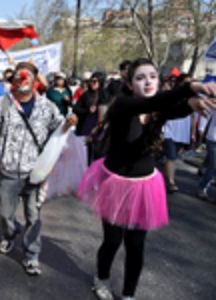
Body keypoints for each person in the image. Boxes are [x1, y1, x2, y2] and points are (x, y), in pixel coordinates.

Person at [77, 58, 216, 300]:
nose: (148, 81)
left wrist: (192, 104)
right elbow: (160, 100)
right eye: (140, 78)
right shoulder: (123, 104)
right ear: (130, 84)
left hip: (145, 184)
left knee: (136, 245)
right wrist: (189, 88)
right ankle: (101, 278)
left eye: (152, 76)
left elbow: (172, 108)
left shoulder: (155, 109)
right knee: (112, 241)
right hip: (117, 182)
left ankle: (129, 294)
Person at [0, 61, 78, 276]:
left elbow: (59, 128)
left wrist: (69, 123)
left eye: (27, 77)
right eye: (18, 77)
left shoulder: (47, 107)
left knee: (33, 216)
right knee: (6, 214)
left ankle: (31, 255)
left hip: (36, 172)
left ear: (35, 81)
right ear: (13, 81)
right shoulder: (3, 103)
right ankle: (10, 234)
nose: (23, 80)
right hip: (8, 172)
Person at [162, 73, 194, 193]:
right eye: (186, 82)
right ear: (179, 83)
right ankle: (171, 182)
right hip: (169, 131)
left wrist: (193, 133)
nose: (189, 85)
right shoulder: (172, 95)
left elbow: (193, 118)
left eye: (190, 83)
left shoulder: (193, 98)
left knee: (172, 157)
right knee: (172, 157)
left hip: (183, 133)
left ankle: (166, 176)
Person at [73, 71, 109, 164]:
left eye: (95, 81)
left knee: (99, 156)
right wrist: (87, 110)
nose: (92, 83)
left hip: (101, 130)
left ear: (101, 82)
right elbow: (76, 109)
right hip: (86, 128)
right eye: (91, 81)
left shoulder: (105, 95)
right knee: (86, 156)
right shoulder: (86, 94)